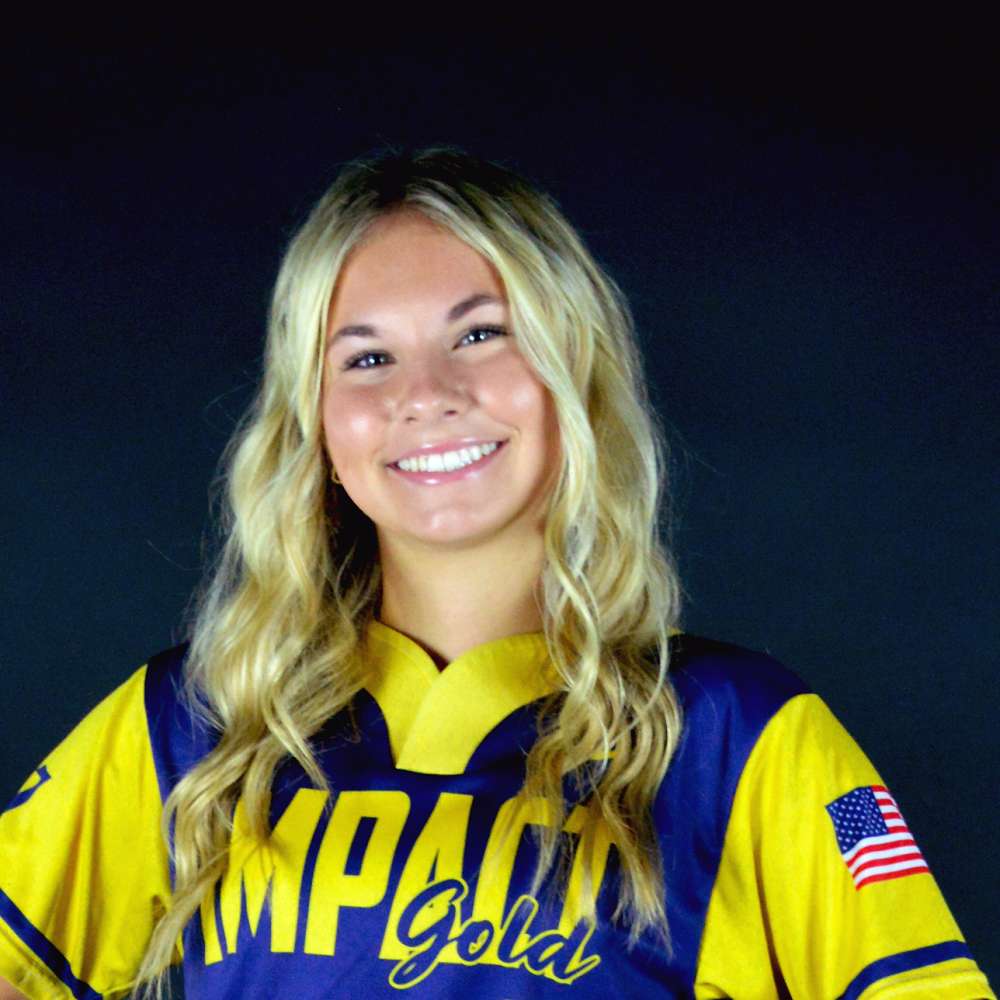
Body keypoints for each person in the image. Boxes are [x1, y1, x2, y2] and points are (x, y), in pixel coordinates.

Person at [0, 149, 993, 1000]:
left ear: (573, 368)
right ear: (316, 423)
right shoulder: (196, 721)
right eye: (366, 358)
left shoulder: (739, 733)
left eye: (480, 334)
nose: (427, 394)